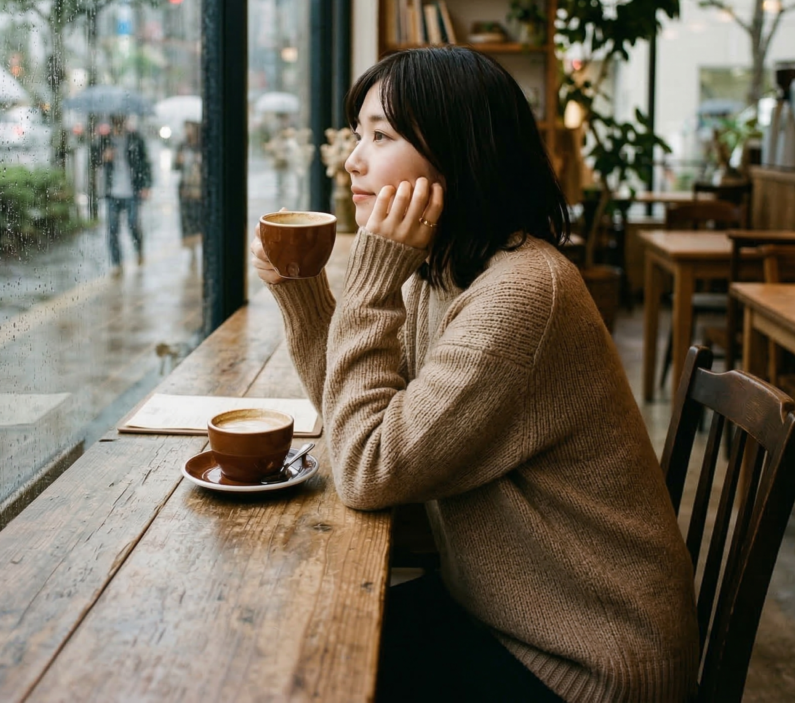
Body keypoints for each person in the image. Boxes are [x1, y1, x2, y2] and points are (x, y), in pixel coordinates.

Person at [251, 47, 699, 703]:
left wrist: (373, 282)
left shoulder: (523, 292)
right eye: (358, 136)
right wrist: (303, 292)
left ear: (457, 152)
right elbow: (364, 423)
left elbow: (368, 469)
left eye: (380, 136)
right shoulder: (452, 270)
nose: (354, 160)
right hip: (503, 613)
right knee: (288, 644)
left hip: (587, 662)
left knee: (304, 677)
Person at [99, 113, 152, 274]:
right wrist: (104, 157)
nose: (119, 124)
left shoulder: (135, 138)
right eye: (116, 121)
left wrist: (146, 185)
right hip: (112, 192)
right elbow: (94, 160)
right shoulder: (105, 140)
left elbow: (145, 163)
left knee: (133, 224)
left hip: (132, 191)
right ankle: (117, 263)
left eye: (121, 121)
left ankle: (139, 250)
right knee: (112, 229)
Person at [173, 120, 203, 267]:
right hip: (185, 189)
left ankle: (202, 248)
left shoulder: (203, 145)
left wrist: (200, 162)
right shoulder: (182, 145)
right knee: (187, 221)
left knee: (200, 220)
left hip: (200, 190)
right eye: (185, 128)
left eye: (190, 127)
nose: (187, 131)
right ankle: (192, 252)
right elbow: (175, 167)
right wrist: (178, 161)